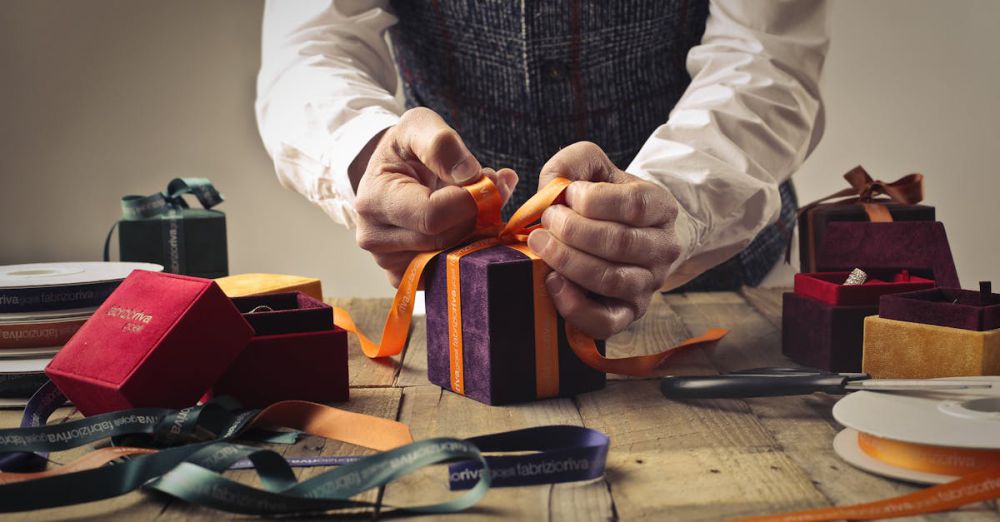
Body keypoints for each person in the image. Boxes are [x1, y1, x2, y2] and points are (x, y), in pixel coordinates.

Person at [256, 0, 828, 340]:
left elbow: (768, 54)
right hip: (464, 309)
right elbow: (311, 42)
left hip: (732, 304)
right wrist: (364, 152)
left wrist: (675, 205)